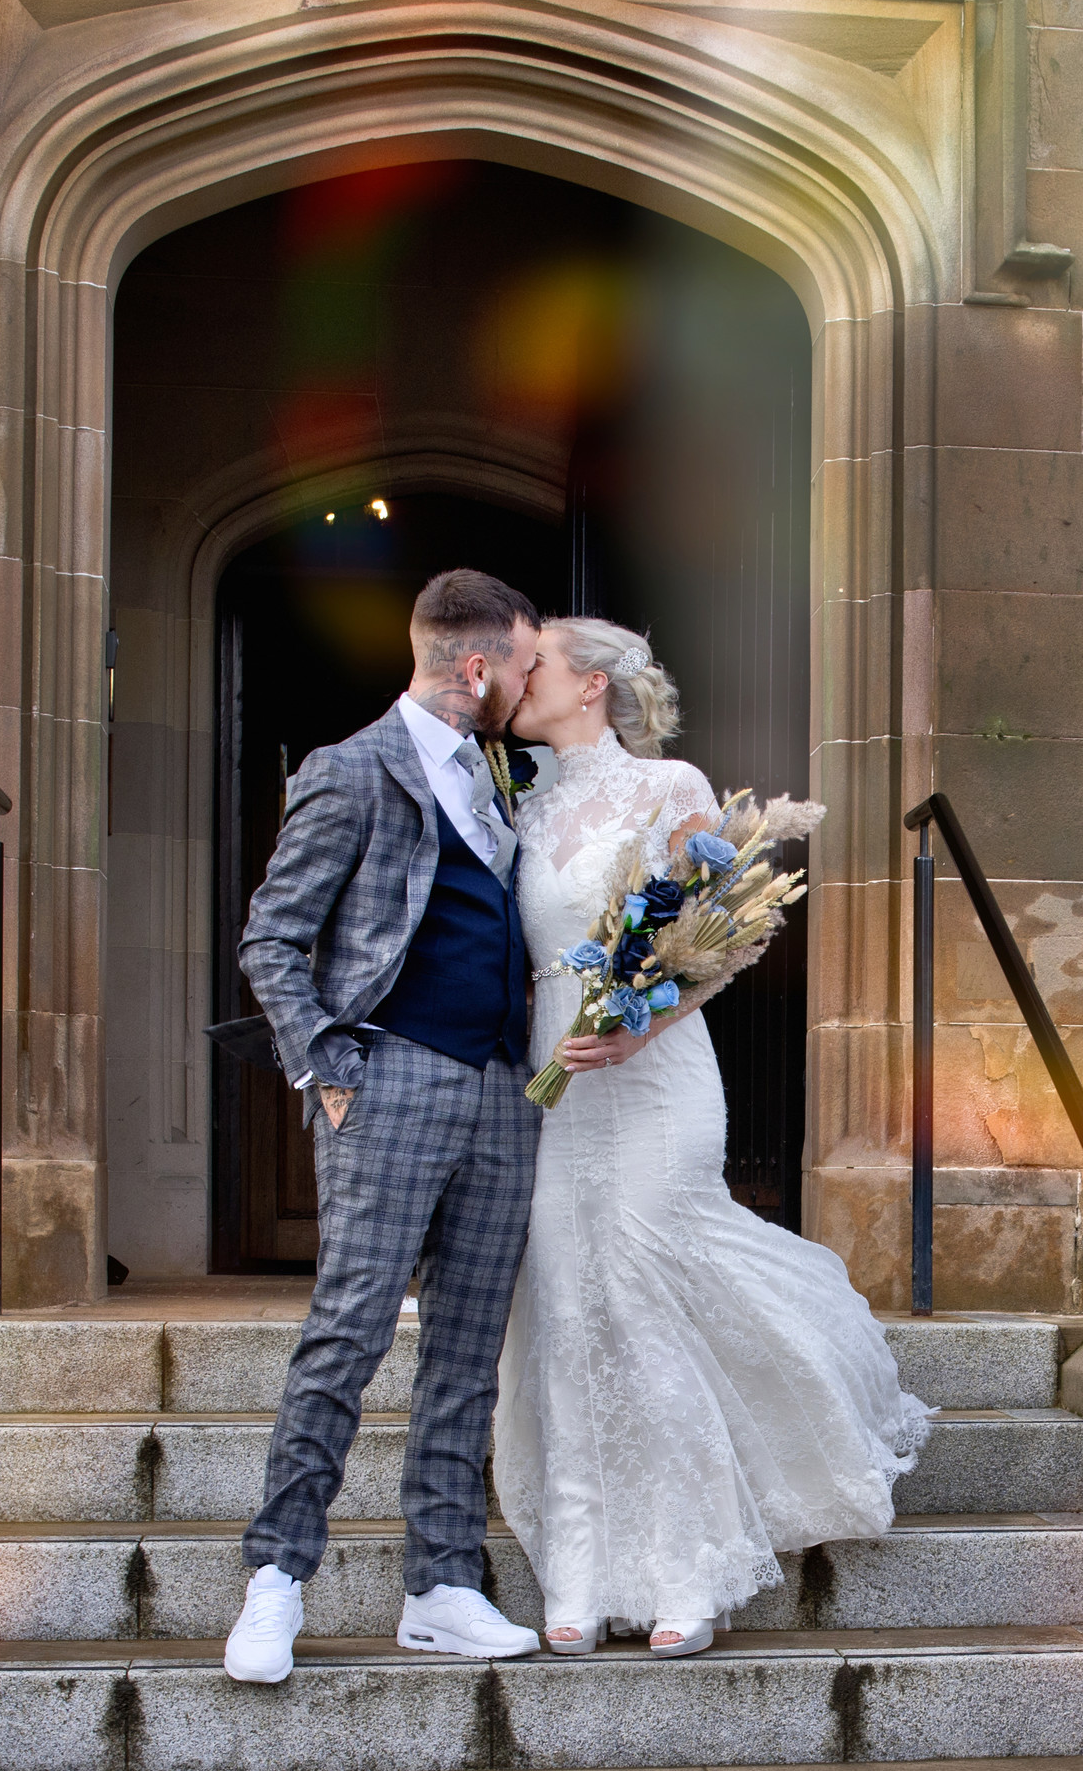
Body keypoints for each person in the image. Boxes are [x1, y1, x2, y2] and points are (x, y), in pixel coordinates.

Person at [494, 615, 932, 1657]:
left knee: (645, 1290)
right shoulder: (516, 799)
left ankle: (687, 1563)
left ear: (593, 683)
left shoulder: (671, 789)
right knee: (564, 1305)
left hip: (656, 1077)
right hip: (551, 1078)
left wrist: (642, 1020)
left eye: (537, 662)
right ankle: (581, 1563)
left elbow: (728, 942)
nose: (519, 676)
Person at [224, 568, 543, 1683]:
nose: (527, 681)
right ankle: (276, 1578)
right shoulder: (351, 770)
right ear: (476, 665)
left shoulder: (503, 776)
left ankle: (443, 1583)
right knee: (347, 1336)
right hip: (391, 1081)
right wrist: (330, 1063)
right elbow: (271, 938)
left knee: (467, 1351)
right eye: (521, 662)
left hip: (505, 1094)